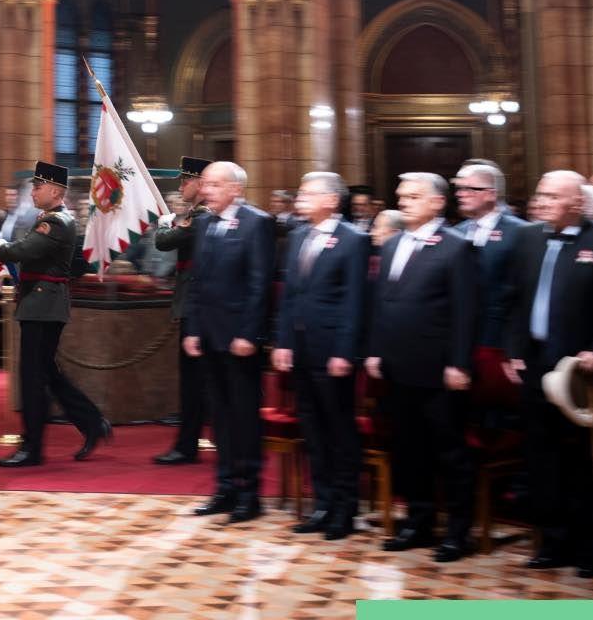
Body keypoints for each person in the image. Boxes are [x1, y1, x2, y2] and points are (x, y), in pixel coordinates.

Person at [503, 169, 593, 576]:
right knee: (543, 458)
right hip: (536, 365)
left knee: (587, 462)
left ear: (577, 202)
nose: (541, 202)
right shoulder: (526, 238)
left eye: (552, 196)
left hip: (582, 370)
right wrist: (513, 351)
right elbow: (512, 300)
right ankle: (553, 541)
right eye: (539, 194)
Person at [367, 171, 478, 562]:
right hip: (398, 367)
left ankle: (459, 532)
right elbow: (383, 303)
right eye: (401, 196)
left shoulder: (456, 247)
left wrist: (459, 363)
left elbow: (466, 312)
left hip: (438, 369)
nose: (404, 202)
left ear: (437, 202)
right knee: (408, 449)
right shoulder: (393, 242)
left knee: (449, 452)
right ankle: (418, 522)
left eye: (413, 196)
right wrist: (376, 350)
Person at [165, 160, 272, 521]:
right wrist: (193, 329)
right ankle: (225, 487)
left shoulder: (257, 223)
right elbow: (197, 283)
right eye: (205, 184)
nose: (206, 190)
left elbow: (260, 286)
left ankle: (248, 493)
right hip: (208, 334)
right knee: (221, 418)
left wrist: (249, 334)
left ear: (235, 189)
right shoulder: (206, 223)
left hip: (239, 338)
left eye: (213, 185)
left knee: (243, 416)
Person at [272, 171, 369, 540]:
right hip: (301, 349)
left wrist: (346, 351)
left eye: (307, 193)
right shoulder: (298, 236)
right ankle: (322, 503)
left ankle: (345, 508)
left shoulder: (354, 240)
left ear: (332, 200)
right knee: (312, 429)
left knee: (339, 430)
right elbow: (290, 297)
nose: (300, 198)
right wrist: (282, 343)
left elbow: (355, 302)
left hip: (333, 352)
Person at [0, 161, 109, 467]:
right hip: (40, 304)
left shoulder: (57, 222)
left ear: (56, 191)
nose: (32, 191)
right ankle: (91, 423)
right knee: (45, 373)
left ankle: (33, 448)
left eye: (38, 186)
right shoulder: (49, 219)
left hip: (44, 306)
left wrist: (0, 247)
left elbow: (25, 250)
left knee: (34, 377)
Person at [452, 160, 528, 411]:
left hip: (499, 342)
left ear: (490, 194)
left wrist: (514, 349)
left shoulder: (521, 233)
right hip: (464, 340)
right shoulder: (457, 232)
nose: (460, 194)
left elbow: (522, 295)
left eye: (469, 189)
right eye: (459, 189)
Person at [151, 163, 209, 466]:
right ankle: (189, 443)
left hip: (195, 305)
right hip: (195, 303)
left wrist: (165, 223)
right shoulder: (195, 215)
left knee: (193, 382)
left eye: (185, 181)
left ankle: (187, 446)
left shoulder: (199, 217)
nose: (180, 187)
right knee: (198, 381)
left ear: (200, 183)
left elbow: (164, 242)